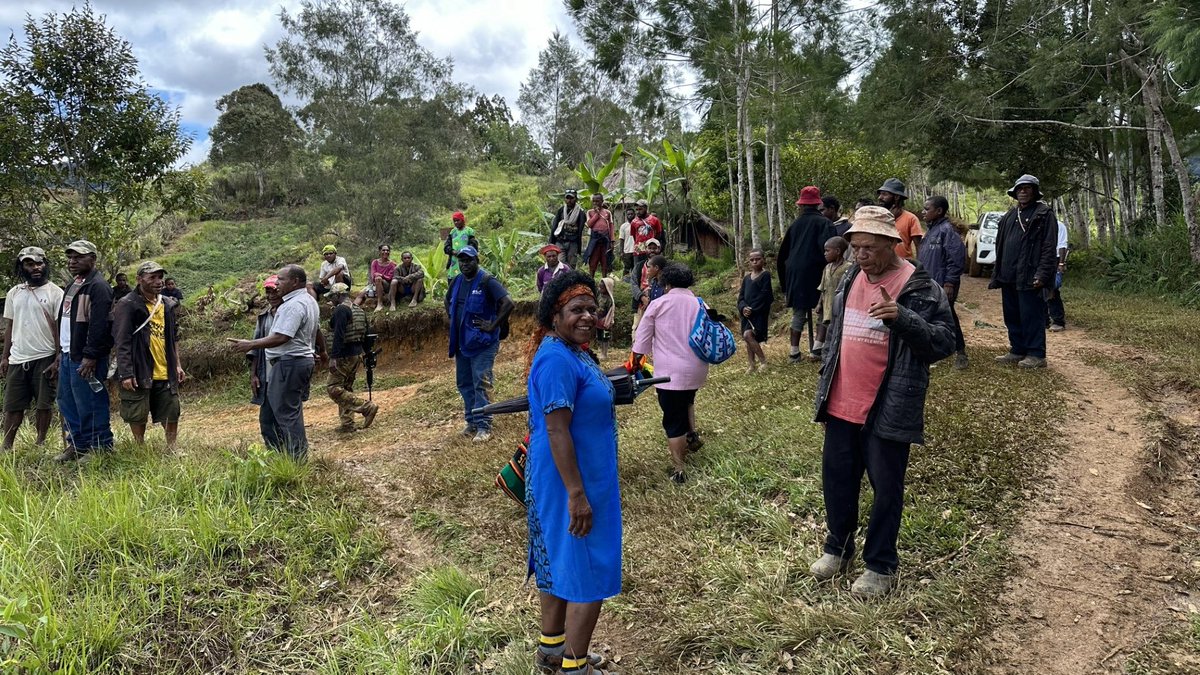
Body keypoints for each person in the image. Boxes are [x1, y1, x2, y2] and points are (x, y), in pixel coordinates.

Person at [811, 206, 955, 597]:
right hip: (842, 401)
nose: (860, 255)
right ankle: (837, 548)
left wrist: (904, 318)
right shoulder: (850, 277)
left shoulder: (919, 286)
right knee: (838, 481)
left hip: (888, 406)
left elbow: (945, 342)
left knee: (885, 487)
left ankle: (880, 565)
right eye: (856, 247)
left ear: (894, 244)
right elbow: (838, 332)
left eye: (869, 248)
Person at [524, 270, 618, 675]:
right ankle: (576, 666)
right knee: (587, 565)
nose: (587, 317)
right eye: (576, 309)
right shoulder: (556, 358)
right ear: (556, 314)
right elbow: (557, 428)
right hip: (570, 479)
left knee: (564, 560)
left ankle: (552, 651)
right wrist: (576, 494)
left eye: (592, 310)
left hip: (584, 474)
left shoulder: (573, 352)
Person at [229, 264, 324, 460]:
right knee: (278, 413)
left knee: (287, 415)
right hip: (291, 363)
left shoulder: (294, 305)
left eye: (280, 280)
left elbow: (282, 337)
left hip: (289, 363)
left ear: (295, 282)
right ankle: (282, 457)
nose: (277, 284)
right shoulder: (307, 300)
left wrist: (250, 344)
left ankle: (296, 461)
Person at [632, 262, 708, 483]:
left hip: (669, 374)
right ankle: (692, 435)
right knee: (687, 400)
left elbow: (642, 341)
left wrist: (636, 359)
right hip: (697, 369)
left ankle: (679, 469)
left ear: (667, 284)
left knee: (672, 419)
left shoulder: (658, 305)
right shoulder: (700, 303)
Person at [112, 261, 185, 452]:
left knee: (171, 409)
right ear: (139, 279)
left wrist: (177, 365)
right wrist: (126, 372)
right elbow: (122, 340)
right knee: (137, 411)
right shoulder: (127, 304)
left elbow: (173, 337)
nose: (158, 281)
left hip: (164, 368)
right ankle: (140, 447)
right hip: (139, 367)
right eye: (152, 277)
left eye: (160, 277)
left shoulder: (167, 305)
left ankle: (172, 448)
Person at [445, 246, 514, 443]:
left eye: (469, 260)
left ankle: (484, 425)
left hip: (483, 344)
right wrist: (452, 320)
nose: (465, 264)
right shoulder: (458, 281)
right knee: (464, 383)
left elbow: (508, 302)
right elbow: (447, 300)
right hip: (462, 343)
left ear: (477, 260)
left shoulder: (486, 281)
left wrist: (492, 325)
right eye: (462, 260)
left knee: (481, 382)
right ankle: (472, 421)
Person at [989, 174, 1058, 369]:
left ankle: (1036, 354)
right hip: (1008, 275)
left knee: (1031, 315)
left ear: (1035, 192)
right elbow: (1000, 244)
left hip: (1030, 276)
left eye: (1028, 188)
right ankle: (1017, 349)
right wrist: (998, 272)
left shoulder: (1044, 214)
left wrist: (1042, 274)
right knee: (1012, 314)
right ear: (1014, 192)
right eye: (1020, 188)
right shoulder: (1010, 216)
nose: (1023, 191)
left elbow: (1048, 247)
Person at [55, 240, 114, 461]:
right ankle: (78, 444)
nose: (73, 261)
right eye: (70, 257)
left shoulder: (98, 286)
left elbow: (100, 326)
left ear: (93, 258)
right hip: (68, 353)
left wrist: (91, 356)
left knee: (90, 400)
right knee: (67, 400)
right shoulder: (74, 284)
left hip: (86, 357)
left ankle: (100, 445)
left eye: (78, 257)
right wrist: (61, 351)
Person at [2, 247, 63, 450]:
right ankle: (7, 445)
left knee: (43, 405)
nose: (36, 268)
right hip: (18, 357)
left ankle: (40, 443)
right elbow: (10, 325)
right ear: (22, 267)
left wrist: (57, 358)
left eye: (39, 263)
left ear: (45, 264)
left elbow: (60, 329)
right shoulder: (14, 293)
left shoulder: (56, 293)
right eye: (30, 264)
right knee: (12, 405)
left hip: (45, 356)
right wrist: (5, 357)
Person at [778, 185, 836, 363]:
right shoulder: (825, 223)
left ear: (801, 205)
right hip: (817, 271)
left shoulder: (795, 225)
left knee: (799, 312)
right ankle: (817, 349)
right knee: (823, 309)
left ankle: (794, 352)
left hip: (795, 273)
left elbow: (782, 254)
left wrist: (785, 283)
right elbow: (830, 249)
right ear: (818, 204)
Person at [918, 195, 969, 369]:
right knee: (931, 317)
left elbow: (956, 259)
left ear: (939, 211)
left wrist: (949, 283)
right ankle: (934, 353)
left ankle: (961, 354)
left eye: (927, 209)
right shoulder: (931, 230)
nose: (923, 212)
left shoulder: (947, 231)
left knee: (949, 317)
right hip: (929, 283)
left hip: (943, 284)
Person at [325, 283, 379, 432]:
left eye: (332, 297)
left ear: (338, 296)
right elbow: (367, 334)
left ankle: (366, 407)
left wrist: (333, 357)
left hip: (344, 355)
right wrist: (367, 353)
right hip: (356, 354)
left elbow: (339, 335)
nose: (331, 300)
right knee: (346, 387)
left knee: (333, 388)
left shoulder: (341, 309)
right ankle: (347, 424)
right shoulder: (359, 310)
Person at [247, 275, 283, 407]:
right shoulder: (263, 316)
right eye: (268, 292)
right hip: (267, 371)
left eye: (275, 291)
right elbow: (256, 347)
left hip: (286, 371)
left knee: (285, 414)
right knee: (266, 418)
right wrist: (254, 375)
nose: (272, 296)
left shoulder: (291, 312)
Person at [737, 248, 774, 373]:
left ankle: (763, 362)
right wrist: (743, 308)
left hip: (759, 313)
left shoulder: (765, 275)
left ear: (763, 260)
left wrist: (752, 309)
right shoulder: (746, 278)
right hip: (746, 314)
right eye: (752, 260)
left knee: (749, 335)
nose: (755, 262)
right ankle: (751, 365)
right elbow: (741, 297)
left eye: (757, 259)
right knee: (748, 338)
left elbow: (765, 295)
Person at [813, 236, 850, 358]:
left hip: (840, 306)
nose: (825, 254)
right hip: (827, 306)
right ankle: (824, 352)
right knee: (827, 328)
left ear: (838, 251)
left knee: (839, 329)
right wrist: (819, 304)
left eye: (827, 250)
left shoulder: (848, 268)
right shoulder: (827, 268)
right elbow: (823, 288)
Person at [876, 178, 923, 259]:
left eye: (884, 194)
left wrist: (919, 267)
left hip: (904, 266)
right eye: (880, 194)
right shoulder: (877, 218)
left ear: (896, 197)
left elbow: (919, 246)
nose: (880, 197)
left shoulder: (911, 219)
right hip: (882, 265)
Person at [549, 189, 587, 267]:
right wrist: (551, 243)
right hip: (560, 241)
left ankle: (571, 279)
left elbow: (580, 230)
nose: (569, 200)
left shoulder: (580, 213)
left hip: (572, 242)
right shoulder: (561, 211)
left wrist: (578, 247)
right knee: (560, 264)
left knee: (571, 265)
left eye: (572, 198)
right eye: (567, 198)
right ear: (565, 199)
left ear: (576, 199)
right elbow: (555, 226)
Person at [630, 200, 663, 285]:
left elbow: (659, 234)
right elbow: (634, 236)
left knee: (652, 267)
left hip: (651, 249)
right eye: (636, 209)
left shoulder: (654, 220)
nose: (638, 211)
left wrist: (653, 245)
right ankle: (638, 287)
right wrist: (640, 245)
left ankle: (652, 285)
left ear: (645, 208)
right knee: (638, 269)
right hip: (639, 249)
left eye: (640, 209)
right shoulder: (634, 222)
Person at [631, 252, 666, 334]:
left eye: (649, 267)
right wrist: (643, 298)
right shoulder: (653, 282)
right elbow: (633, 285)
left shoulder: (666, 286)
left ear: (656, 268)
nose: (647, 270)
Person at [583, 193, 614, 277]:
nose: (595, 203)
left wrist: (612, 240)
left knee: (605, 261)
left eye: (598, 201)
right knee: (593, 261)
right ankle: (591, 280)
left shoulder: (607, 212)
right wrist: (597, 214)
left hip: (605, 239)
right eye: (594, 201)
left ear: (602, 201)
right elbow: (589, 224)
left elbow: (611, 226)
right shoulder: (590, 212)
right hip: (594, 239)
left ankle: (604, 280)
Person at [360, 244, 398, 311]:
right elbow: (373, 274)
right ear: (380, 251)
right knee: (361, 293)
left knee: (378, 278)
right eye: (383, 250)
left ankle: (380, 303)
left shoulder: (392, 264)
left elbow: (390, 277)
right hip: (376, 283)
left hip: (388, 285)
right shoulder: (375, 262)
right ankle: (354, 308)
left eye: (387, 250)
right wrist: (379, 276)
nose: (385, 252)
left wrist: (381, 275)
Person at [1047, 220, 1068, 332]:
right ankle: (1043, 319)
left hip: (1054, 259)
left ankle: (1058, 320)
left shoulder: (1058, 225)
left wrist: (1061, 263)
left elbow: (1062, 245)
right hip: (1038, 259)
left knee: (1052, 289)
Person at [444, 212, 478, 280]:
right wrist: (453, 252)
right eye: (454, 221)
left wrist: (464, 252)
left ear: (462, 220)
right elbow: (446, 246)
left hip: (465, 260)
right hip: (454, 261)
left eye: (458, 220)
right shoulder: (452, 232)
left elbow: (473, 245)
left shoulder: (469, 231)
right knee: (453, 280)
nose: (456, 222)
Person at [595, 276, 615, 361]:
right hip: (598, 322)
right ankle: (601, 352)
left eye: (602, 288)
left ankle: (605, 353)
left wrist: (606, 318)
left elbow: (609, 311)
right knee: (599, 337)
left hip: (605, 323)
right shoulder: (599, 296)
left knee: (605, 338)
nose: (600, 289)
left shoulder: (609, 300)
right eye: (600, 287)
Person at [617, 208, 636, 281]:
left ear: (634, 214)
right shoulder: (623, 226)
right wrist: (621, 251)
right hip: (627, 250)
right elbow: (621, 239)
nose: (630, 215)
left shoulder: (638, 224)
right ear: (626, 216)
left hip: (636, 250)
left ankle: (635, 281)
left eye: (632, 214)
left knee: (635, 267)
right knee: (626, 267)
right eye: (628, 214)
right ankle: (624, 281)